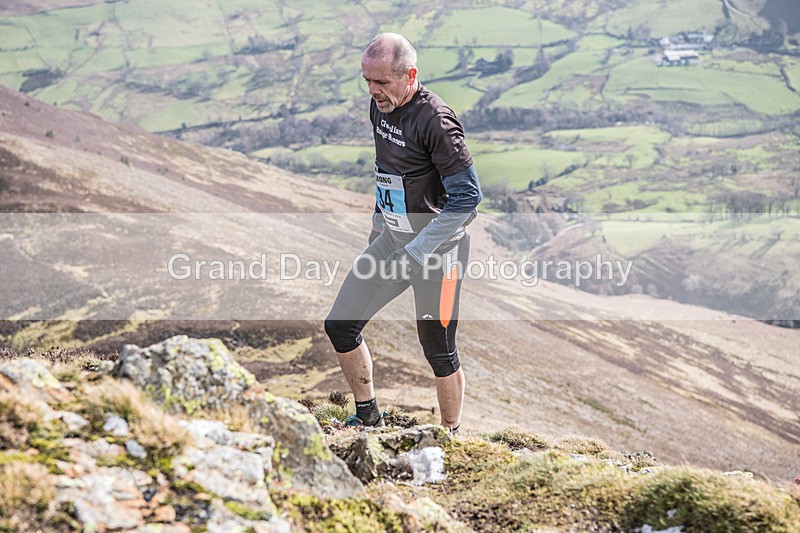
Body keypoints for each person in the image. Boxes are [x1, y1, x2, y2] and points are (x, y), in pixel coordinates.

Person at [324, 33, 482, 432]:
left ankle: (449, 436)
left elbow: (468, 199)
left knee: (439, 351)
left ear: (410, 75)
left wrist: (416, 252)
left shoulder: (436, 122)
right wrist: (379, 228)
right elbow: (388, 172)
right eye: (367, 81)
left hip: (439, 254)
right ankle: (368, 415)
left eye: (381, 82)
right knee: (340, 324)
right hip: (393, 242)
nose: (373, 91)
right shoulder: (381, 106)